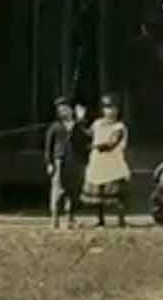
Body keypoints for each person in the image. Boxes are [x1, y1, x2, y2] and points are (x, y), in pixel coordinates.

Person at [81, 93, 130, 228]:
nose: (111, 111)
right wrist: (80, 121)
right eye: (108, 108)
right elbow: (87, 134)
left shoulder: (119, 127)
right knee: (99, 196)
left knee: (117, 194)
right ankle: (100, 220)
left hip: (113, 163)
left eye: (114, 108)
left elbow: (112, 144)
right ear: (103, 109)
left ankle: (121, 221)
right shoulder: (97, 124)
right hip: (98, 163)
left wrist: (95, 146)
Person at [42, 96, 90, 229]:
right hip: (59, 160)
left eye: (66, 109)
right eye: (60, 110)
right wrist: (49, 163)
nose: (63, 112)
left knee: (73, 190)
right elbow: (48, 147)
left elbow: (87, 138)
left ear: (71, 110)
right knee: (57, 190)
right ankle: (55, 219)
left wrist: (81, 121)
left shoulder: (78, 125)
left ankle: (70, 218)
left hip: (75, 160)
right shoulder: (55, 127)